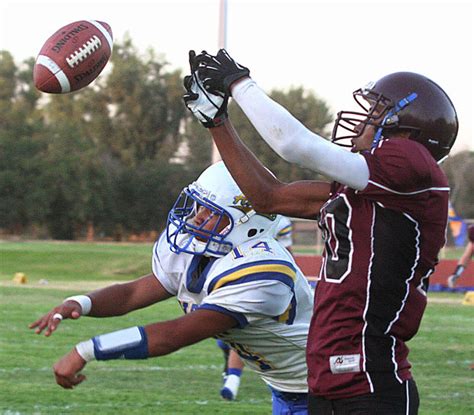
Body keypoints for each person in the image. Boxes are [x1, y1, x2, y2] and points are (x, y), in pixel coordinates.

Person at [182, 49, 459, 414]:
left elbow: (295, 145)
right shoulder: (370, 189)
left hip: (371, 383)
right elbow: (269, 197)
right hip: (328, 382)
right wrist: (217, 122)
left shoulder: (411, 163)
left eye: (375, 113)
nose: (362, 121)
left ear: (405, 130)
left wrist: (239, 83)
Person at [29, 161, 313, 415]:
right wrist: (80, 303)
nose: (198, 216)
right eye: (199, 206)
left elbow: (175, 335)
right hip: (290, 387)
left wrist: (87, 350)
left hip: (332, 387)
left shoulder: (264, 270)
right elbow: (132, 293)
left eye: (211, 211)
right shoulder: (201, 249)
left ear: (247, 222)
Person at [217, 215, 294, 401]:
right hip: (242, 276)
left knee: (242, 331)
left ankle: (232, 379)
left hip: (262, 279)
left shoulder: (280, 222)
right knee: (235, 332)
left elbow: (287, 252)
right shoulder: (239, 216)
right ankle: (233, 378)